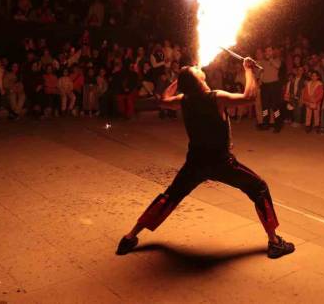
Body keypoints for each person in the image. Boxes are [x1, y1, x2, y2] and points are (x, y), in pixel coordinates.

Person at [116, 58, 295, 259]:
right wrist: (248, 70)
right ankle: (274, 241)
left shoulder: (184, 100)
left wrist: (180, 79)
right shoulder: (215, 97)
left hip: (195, 163)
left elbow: (163, 99)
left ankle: (130, 236)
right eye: (194, 69)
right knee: (259, 187)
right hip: (221, 163)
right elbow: (250, 97)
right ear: (198, 80)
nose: (198, 67)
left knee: (170, 196)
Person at [258, 47, 283, 132]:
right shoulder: (263, 62)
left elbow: (278, 66)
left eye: (269, 51)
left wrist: (271, 60)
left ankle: (278, 125)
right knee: (264, 107)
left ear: (272, 52)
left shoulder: (277, 60)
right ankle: (265, 124)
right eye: (266, 51)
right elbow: (261, 73)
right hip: (265, 86)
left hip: (274, 86)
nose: (267, 52)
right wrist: (260, 82)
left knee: (275, 107)